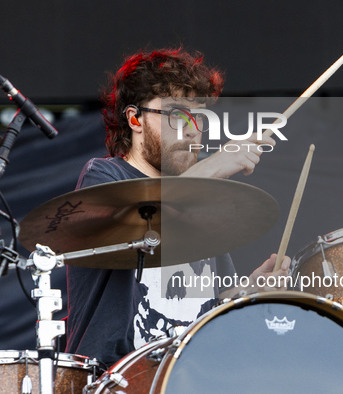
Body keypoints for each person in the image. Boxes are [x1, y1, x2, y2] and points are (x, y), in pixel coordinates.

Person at [65, 48, 290, 368]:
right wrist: (216, 165)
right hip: (118, 378)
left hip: (189, 375)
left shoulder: (201, 202)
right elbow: (145, 210)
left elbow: (209, 306)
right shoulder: (104, 177)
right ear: (134, 119)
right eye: (176, 114)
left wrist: (249, 291)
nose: (192, 128)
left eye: (198, 117)